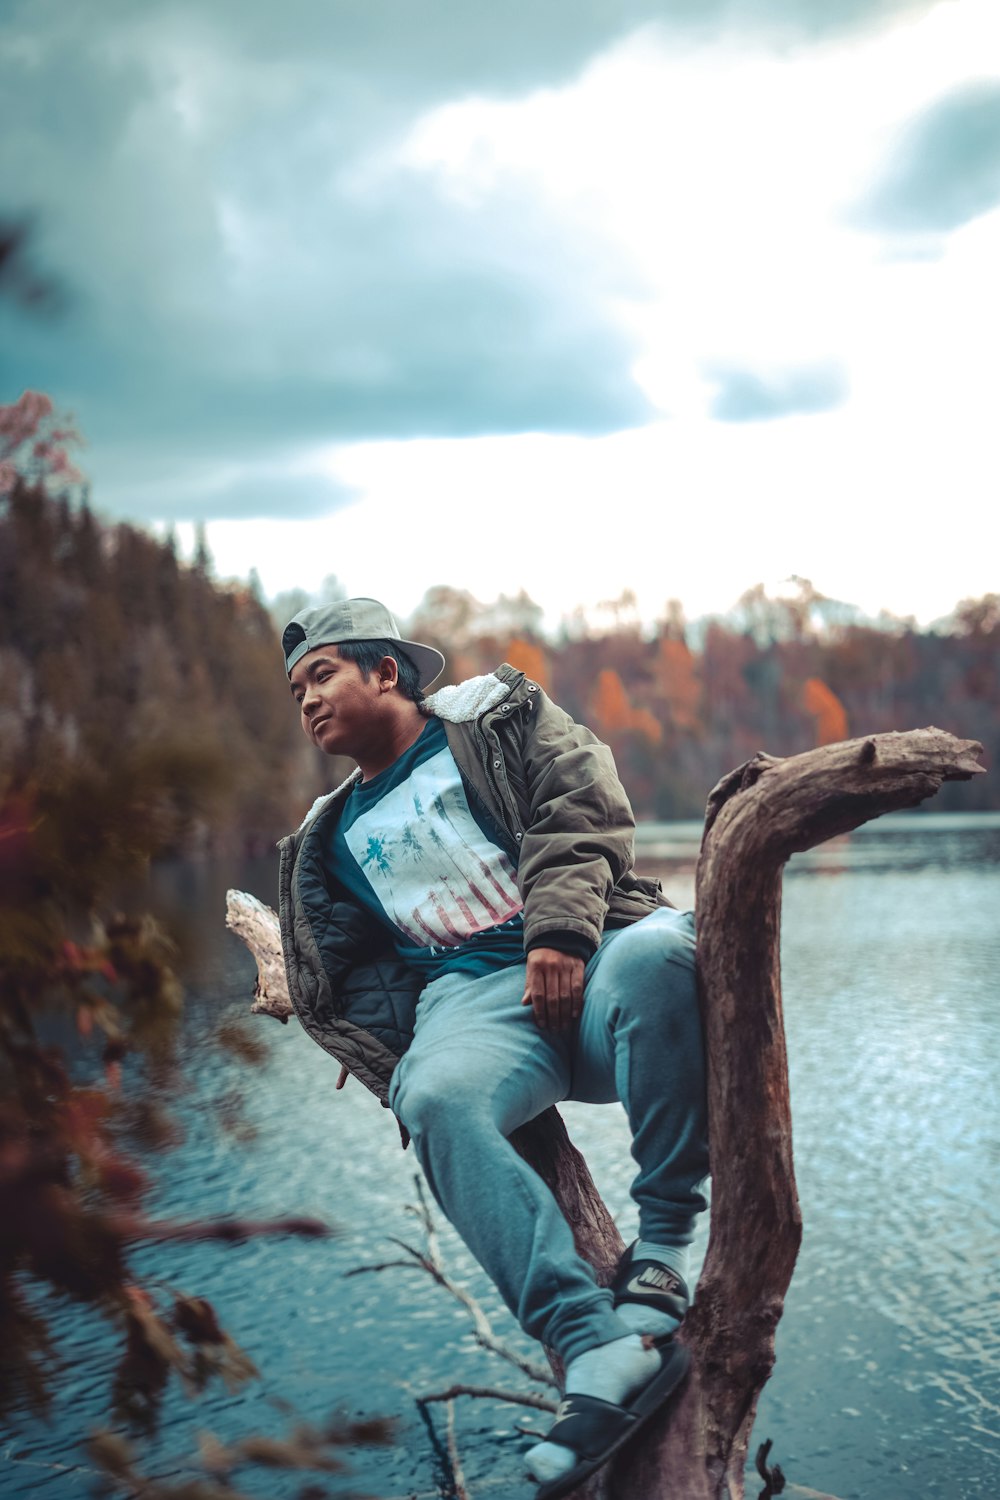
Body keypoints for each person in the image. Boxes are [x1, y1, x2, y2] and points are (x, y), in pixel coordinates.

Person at [277, 596, 709, 1499]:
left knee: (671, 950)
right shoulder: (327, 839)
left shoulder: (496, 720)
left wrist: (557, 933)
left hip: (593, 955)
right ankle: (592, 1344)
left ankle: (664, 1245)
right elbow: (343, 981)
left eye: (323, 675)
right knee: (433, 1100)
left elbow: (584, 801)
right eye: (296, 690)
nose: (308, 701)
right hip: (473, 1005)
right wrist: (408, 1058)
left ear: (385, 672)